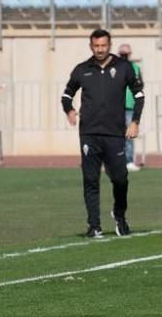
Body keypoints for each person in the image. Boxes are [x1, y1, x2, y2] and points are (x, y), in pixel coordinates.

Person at [61, 28, 145, 238]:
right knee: (90, 179)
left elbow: (139, 95)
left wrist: (135, 121)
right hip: (89, 134)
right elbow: (66, 95)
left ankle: (120, 216)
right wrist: (69, 110)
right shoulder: (82, 69)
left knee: (120, 179)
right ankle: (94, 225)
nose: (100, 49)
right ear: (91, 46)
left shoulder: (124, 67)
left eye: (103, 46)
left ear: (109, 45)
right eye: (96, 46)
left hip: (115, 134)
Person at [117, 43, 143, 172]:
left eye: (125, 55)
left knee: (129, 134)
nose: (124, 57)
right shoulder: (114, 68)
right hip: (115, 105)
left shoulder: (135, 68)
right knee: (114, 134)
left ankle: (129, 161)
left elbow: (140, 86)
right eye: (122, 55)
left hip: (130, 105)